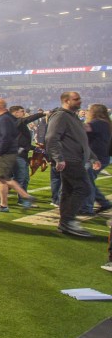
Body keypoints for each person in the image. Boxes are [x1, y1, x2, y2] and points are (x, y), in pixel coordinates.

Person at [44, 91, 100, 238]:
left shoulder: (72, 117)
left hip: (75, 159)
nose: (80, 101)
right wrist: (59, 158)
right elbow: (51, 137)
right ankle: (68, 221)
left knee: (69, 191)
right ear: (66, 101)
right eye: (76, 99)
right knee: (83, 188)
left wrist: (93, 158)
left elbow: (81, 142)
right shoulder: (61, 116)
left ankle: (65, 223)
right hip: (69, 160)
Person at [0, 98, 35, 212]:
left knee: (3, 178)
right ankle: (3, 205)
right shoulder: (8, 118)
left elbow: (6, 137)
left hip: (4, 153)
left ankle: (25, 196)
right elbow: (8, 135)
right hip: (9, 151)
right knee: (2, 179)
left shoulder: (3, 119)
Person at [84, 104, 111, 215]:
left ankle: (88, 208)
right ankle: (103, 202)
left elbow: (83, 128)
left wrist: (69, 119)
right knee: (88, 179)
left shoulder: (97, 123)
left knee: (87, 180)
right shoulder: (106, 123)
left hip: (97, 158)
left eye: (88, 110)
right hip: (102, 156)